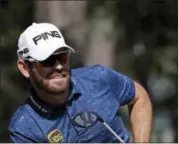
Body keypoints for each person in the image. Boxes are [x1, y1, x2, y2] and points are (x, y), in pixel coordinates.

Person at [9, 22, 152, 143]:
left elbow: (139, 96)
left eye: (63, 57)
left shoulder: (98, 78)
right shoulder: (23, 127)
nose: (58, 66)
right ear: (25, 68)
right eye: (48, 60)